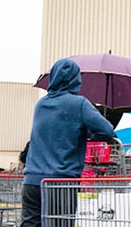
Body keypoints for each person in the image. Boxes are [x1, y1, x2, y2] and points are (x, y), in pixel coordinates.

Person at [21, 58, 115, 227]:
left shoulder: (41, 104)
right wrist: (87, 134)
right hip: (60, 183)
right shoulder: (79, 104)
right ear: (76, 80)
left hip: (31, 182)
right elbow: (107, 131)